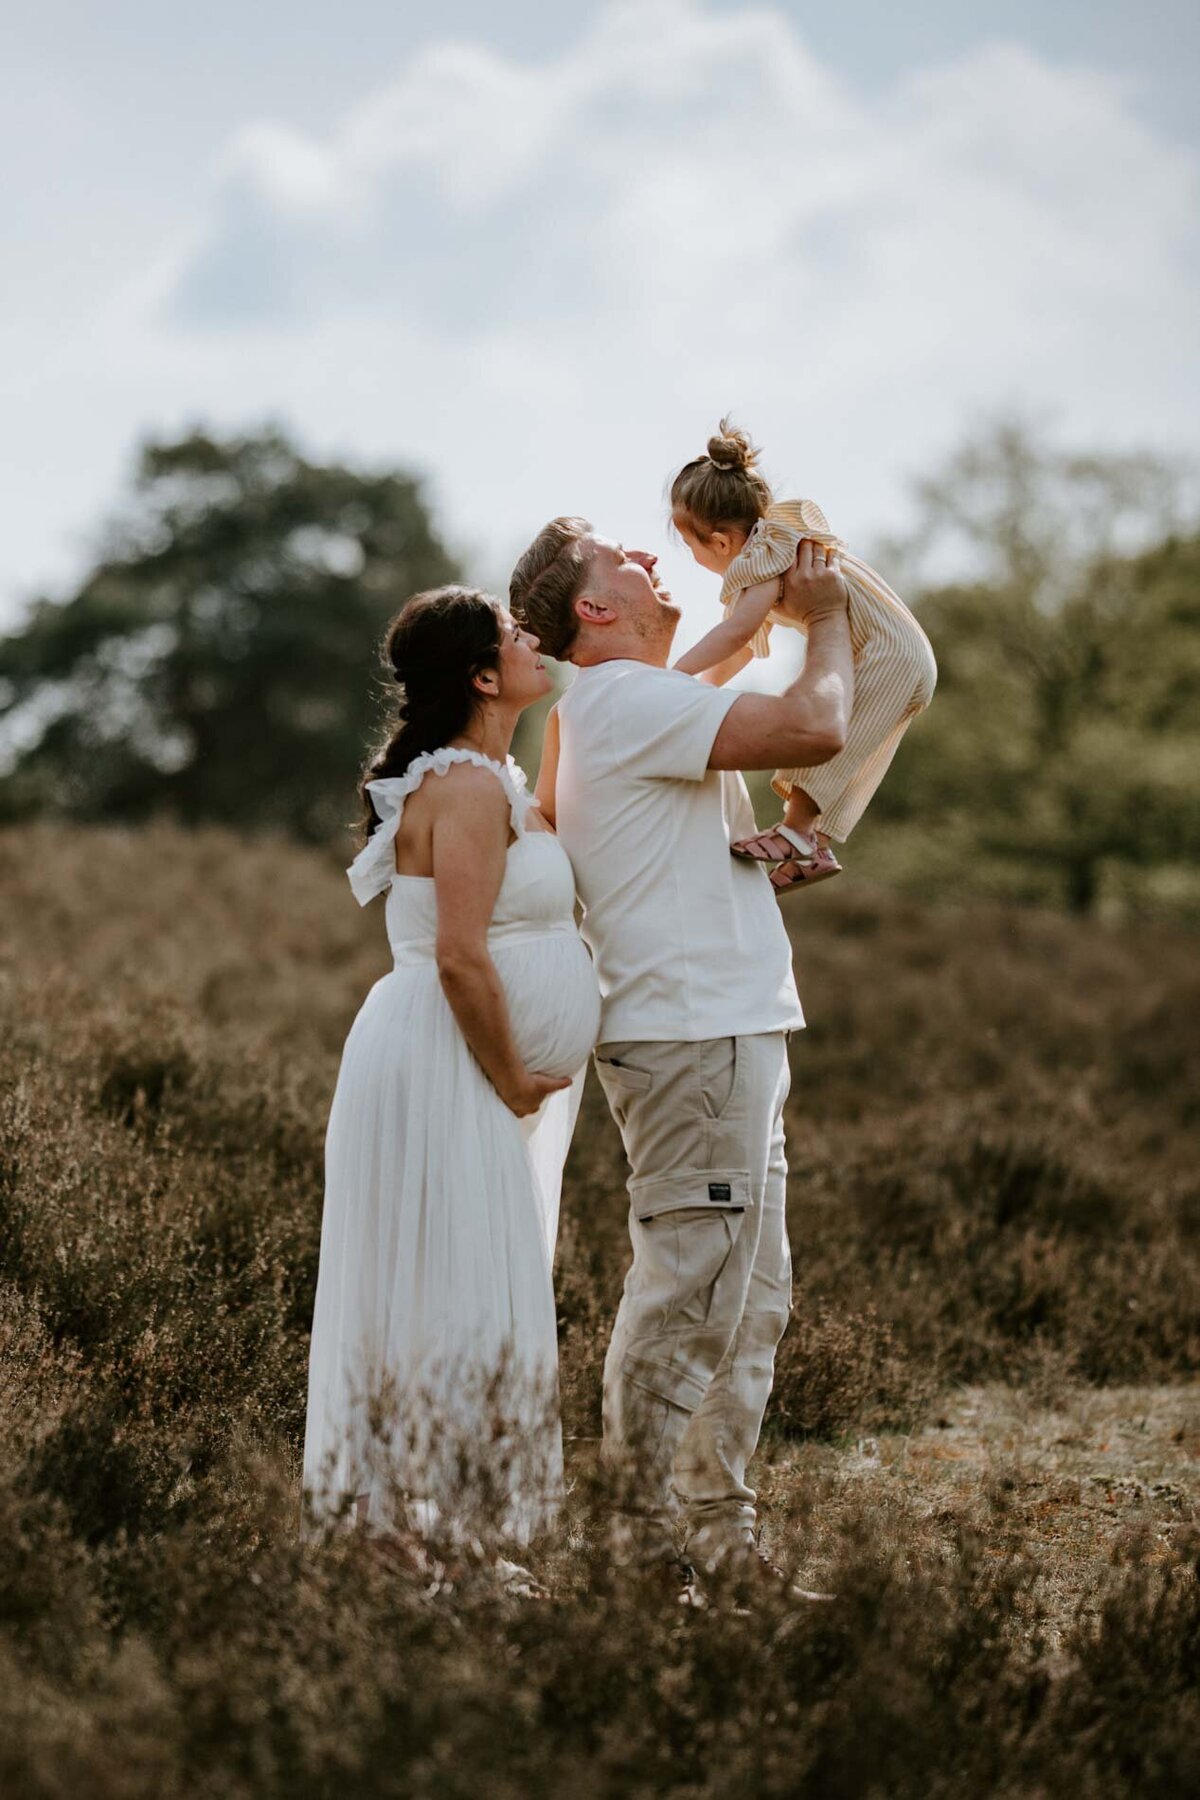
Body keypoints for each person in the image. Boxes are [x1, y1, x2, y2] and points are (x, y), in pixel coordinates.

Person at [510, 522, 853, 1598]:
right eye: (624, 556)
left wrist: (740, 865)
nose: (651, 560)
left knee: (749, 1302)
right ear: (594, 611)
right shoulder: (621, 701)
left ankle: (717, 1545)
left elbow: (631, 824)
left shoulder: (619, 710)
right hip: (696, 1038)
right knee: (690, 1297)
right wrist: (833, 619)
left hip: (726, 1030)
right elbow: (815, 725)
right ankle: (635, 1555)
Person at [302, 586, 601, 1560]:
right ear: (481, 675)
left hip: (452, 1053)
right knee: (456, 1291)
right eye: (516, 636)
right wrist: (515, 1077)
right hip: (447, 1057)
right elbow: (461, 956)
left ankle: (442, 1534)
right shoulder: (466, 790)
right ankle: (439, 1545)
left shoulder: (492, 777)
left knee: (456, 1286)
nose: (534, 640)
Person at [670, 419, 937, 893]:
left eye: (691, 546)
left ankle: (795, 832)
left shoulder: (761, 555)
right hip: (905, 655)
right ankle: (815, 847)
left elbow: (738, 630)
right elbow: (745, 649)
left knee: (827, 737)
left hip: (889, 654)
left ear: (720, 542)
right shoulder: (777, 547)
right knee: (856, 750)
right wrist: (702, 687)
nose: (693, 558)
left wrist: (673, 677)